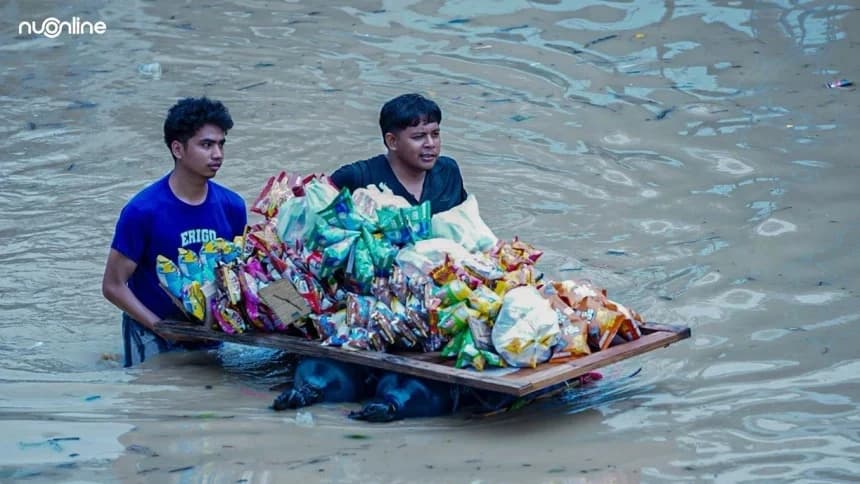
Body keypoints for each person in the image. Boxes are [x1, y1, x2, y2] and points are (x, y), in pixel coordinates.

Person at [275, 93, 480, 420]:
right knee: (289, 303)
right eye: (418, 137)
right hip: (370, 296)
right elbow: (311, 226)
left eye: (435, 134)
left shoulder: (448, 173)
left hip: (430, 293)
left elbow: (465, 229)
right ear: (392, 141)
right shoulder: (356, 176)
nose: (430, 144)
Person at [102, 97, 247, 367]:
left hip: (211, 334)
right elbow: (112, 286)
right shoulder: (142, 211)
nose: (218, 154)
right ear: (178, 149)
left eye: (221, 144)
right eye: (206, 145)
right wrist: (158, 326)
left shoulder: (233, 206)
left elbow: (237, 274)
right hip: (152, 333)